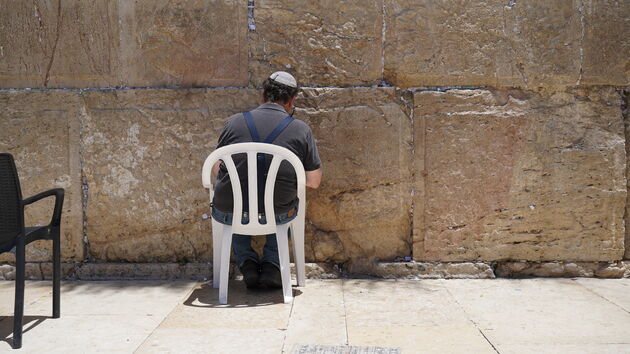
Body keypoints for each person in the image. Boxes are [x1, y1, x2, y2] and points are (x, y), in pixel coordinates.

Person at [211, 71, 322, 289]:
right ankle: (272, 263)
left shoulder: (233, 123)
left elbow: (216, 168)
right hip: (278, 214)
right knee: (282, 201)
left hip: (230, 212)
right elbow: (314, 181)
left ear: (264, 95)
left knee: (235, 202)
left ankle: (247, 262)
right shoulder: (301, 129)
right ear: (292, 100)